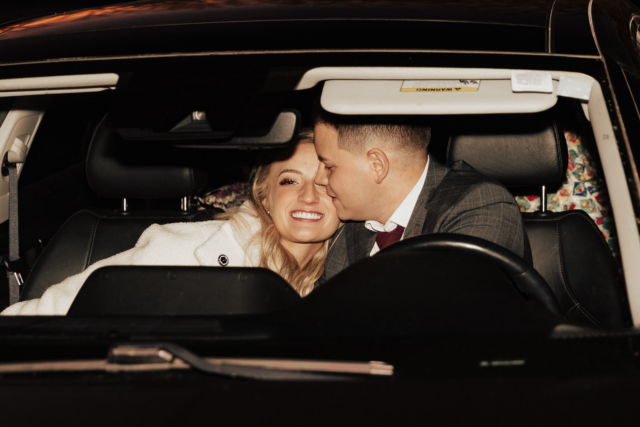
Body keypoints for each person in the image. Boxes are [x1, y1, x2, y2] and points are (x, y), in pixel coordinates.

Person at [2, 130, 340, 315]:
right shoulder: (186, 250)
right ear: (264, 195)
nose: (309, 196)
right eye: (289, 181)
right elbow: (44, 316)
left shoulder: (356, 265)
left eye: (324, 184)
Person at [312, 106, 529, 283]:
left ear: (377, 165)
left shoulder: (480, 205)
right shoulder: (349, 226)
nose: (319, 179)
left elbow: (450, 320)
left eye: (329, 166)